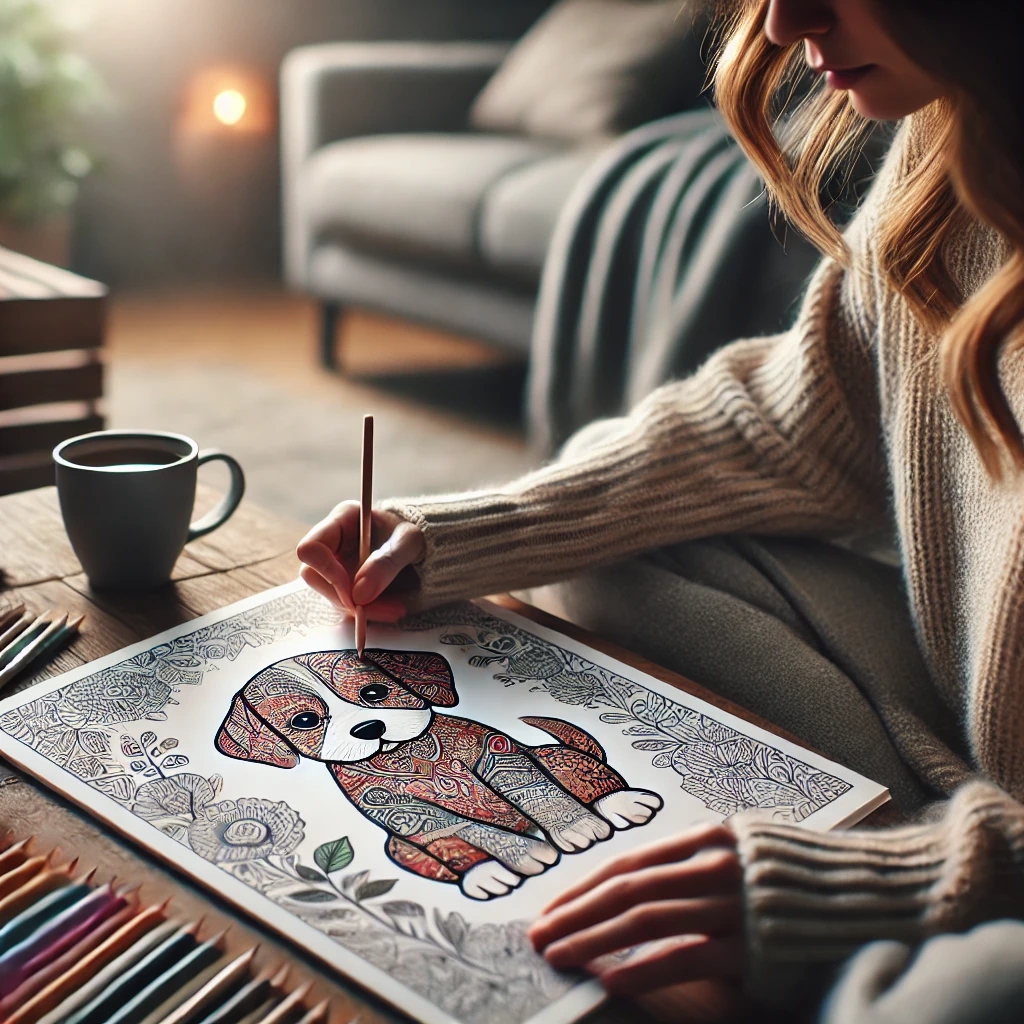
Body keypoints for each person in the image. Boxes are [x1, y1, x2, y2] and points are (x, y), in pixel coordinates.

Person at [296, 0, 1024, 1016]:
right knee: (599, 553)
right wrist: (465, 531)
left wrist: (923, 880)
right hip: (979, 744)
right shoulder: (944, 148)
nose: (781, 25)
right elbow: (781, 423)